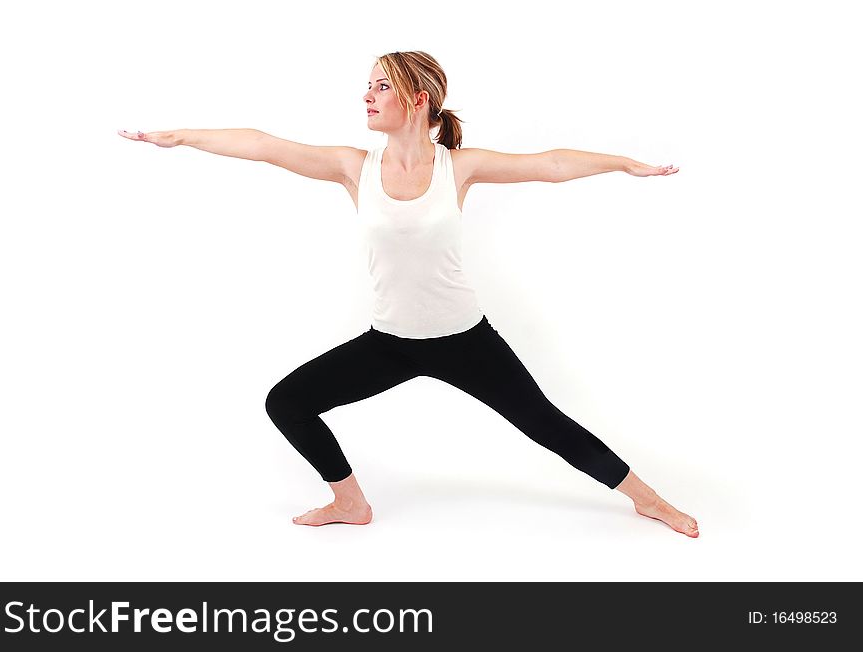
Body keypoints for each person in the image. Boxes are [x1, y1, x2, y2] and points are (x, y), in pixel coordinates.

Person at [118, 50, 698, 538]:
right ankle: (350, 503)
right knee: (286, 402)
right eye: (366, 86)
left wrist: (625, 163)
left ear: (418, 98)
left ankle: (648, 498)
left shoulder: (459, 167)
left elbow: (550, 163)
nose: (368, 96)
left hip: (465, 340)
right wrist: (183, 137)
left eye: (381, 86)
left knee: (545, 423)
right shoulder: (353, 166)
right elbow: (263, 144)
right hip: (390, 343)